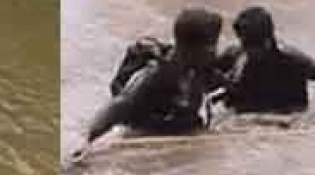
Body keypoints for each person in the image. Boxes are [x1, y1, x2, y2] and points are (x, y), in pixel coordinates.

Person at [73, 8, 225, 157]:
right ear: (190, 48)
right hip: (146, 140)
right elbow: (119, 106)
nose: (215, 52)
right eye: (211, 47)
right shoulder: (157, 75)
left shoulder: (199, 67)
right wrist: (85, 142)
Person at [217, 6, 315, 114]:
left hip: (288, 118)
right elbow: (208, 76)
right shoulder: (234, 55)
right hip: (243, 119)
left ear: (268, 40)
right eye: (243, 43)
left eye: (251, 46)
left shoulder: (294, 61)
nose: (247, 50)